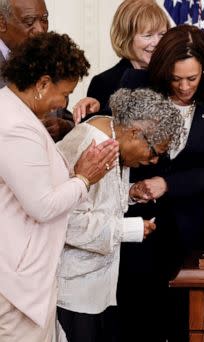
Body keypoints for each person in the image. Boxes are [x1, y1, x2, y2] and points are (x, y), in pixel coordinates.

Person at [116, 24, 204, 342]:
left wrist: (168, 183)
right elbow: (117, 145)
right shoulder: (136, 86)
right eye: (176, 79)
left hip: (195, 230)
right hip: (139, 229)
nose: (184, 86)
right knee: (142, 322)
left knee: (193, 322)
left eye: (192, 78)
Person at [0, 31, 118, 342]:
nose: (64, 103)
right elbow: (42, 205)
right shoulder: (14, 126)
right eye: (64, 94)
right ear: (41, 84)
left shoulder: (17, 114)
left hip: (25, 280)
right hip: (16, 284)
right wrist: (84, 178)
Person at [55, 88, 183, 342]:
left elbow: (95, 199)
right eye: (154, 151)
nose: (155, 161)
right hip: (71, 290)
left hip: (96, 286)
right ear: (135, 133)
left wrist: (130, 193)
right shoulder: (91, 144)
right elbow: (67, 220)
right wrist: (131, 229)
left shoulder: (113, 137)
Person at [0, 0, 78, 141]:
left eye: (44, 20)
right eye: (29, 22)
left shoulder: (47, 55)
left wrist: (64, 126)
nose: (40, 30)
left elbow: (62, 114)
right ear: (2, 23)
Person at [84, 0, 169, 116]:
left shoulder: (173, 77)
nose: (157, 42)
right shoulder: (104, 83)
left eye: (162, 34)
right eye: (148, 35)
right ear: (126, 38)